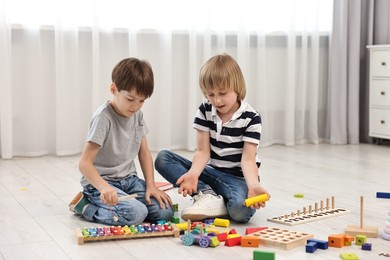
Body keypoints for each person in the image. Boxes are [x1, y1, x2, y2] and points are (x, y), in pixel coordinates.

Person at [155, 53, 270, 223]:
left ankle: (218, 201)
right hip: (211, 173)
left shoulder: (251, 118)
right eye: (210, 94)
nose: (216, 100)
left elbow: (248, 159)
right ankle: (208, 195)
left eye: (222, 93)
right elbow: (203, 151)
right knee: (163, 158)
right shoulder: (205, 110)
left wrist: (253, 185)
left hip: (237, 179)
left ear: (237, 88)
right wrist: (194, 174)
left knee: (240, 212)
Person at [69, 58, 174, 226]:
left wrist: (151, 186)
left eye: (142, 101)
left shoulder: (137, 115)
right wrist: (104, 188)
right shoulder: (103, 118)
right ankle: (86, 206)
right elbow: (84, 164)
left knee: (165, 210)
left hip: (129, 181)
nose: (135, 106)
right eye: (130, 99)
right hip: (101, 183)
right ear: (113, 89)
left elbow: (144, 152)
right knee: (136, 213)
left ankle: (125, 207)